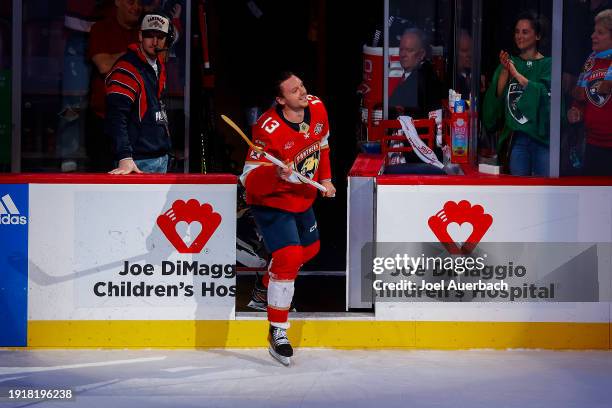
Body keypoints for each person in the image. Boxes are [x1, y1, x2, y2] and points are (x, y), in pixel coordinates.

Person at [240, 72, 336, 365]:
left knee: (310, 250)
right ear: (281, 100)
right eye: (294, 91)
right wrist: (275, 172)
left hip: (301, 197)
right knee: (290, 256)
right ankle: (277, 331)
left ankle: (262, 289)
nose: (303, 93)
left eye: (303, 86)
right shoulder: (266, 129)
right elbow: (248, 179)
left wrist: (327, 179)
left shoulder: (318, 107)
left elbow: (322, 145)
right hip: (271, 201)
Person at [483, 11, 552, 176]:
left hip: (543, 141)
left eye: (525, 32)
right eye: (517, 31)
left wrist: (517, 75)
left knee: (544, 192)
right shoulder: (509, 64)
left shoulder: (548, 64)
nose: (519, 36)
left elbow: (545, 97)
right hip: (517, 141)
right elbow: (494, 106)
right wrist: (505, 74)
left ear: (538, 36)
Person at [105, 13, 174, 174]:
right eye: (150, 35)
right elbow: (116, 117)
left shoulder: (159, 65)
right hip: (136, 163)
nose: (155, 42)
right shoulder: (127, 68)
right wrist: (124, 157)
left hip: (161, 158)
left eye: (160, 37)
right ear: (140, 35)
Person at [87, 0, 143, 172]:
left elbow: (155, 62)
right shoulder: (101, 28)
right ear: (118, 2)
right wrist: (136, 54)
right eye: (131, 2)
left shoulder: (144, 33)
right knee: (102, 175)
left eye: (140, 3)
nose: (136, 7)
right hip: (103, 117)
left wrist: (117, 59)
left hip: (136, 122)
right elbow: (104, 65)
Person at [567, 9, 612, 176]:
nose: (593, 36)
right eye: (594, 31)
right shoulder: (591, 62)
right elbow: (581, 99)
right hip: (593, 144)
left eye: (600, 33)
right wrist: (576, 111)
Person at [389, 28, 445, 118]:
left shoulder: (422, 78)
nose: (403, 55)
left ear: (422, 54)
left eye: (409, 50)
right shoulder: (415, 74)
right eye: (401, 49)